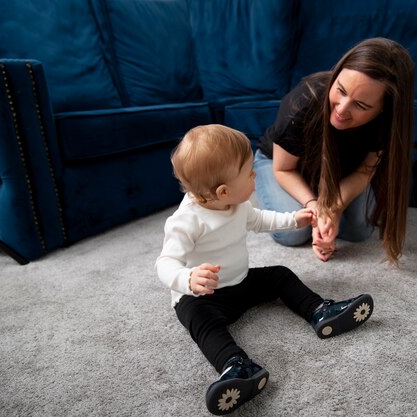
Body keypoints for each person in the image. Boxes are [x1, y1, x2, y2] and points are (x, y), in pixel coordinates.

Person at [155, 124, 374, 415]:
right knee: (201, 323)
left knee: (280, 274)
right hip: (203, 297)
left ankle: (320, 311)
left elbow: (260, 220)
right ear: (223, 191)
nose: (256, 174)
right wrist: (187, 278)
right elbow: (164, 264)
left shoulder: (236, 204)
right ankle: (236, 367)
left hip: (240, 282)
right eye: (249, 173)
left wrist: (293, 219)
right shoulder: (185, 221)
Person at [254, 37, 415, 265]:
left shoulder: (388, 123)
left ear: (382, 110)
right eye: (340, 90)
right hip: (284, 165)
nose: (341, 109)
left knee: (359, 230)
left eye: (361, 105)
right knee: (293, 233)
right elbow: (284, 169)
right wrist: (317, 208)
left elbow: (363, 172)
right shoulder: (304, 100)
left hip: (342, 170)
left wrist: (334, 209)